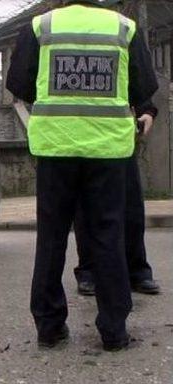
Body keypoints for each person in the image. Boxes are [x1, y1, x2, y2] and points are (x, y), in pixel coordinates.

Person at [6, 0, 159, 351]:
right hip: (107, 152)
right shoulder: (123, 28)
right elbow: (142, 89)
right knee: (108, 236)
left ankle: (49, 327)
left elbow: (20, 83)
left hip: (56, 148)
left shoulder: (41, 26)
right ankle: (114, 330)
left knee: (51, 237)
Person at [74, 101, 160, 296]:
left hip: (118, 136)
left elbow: (137, 75)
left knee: (131, 209)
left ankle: (137, 270)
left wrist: (147, 110)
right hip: (79, 135)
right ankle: (89, 271)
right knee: (86, 208)